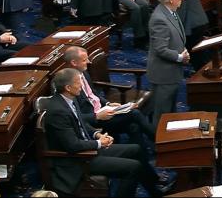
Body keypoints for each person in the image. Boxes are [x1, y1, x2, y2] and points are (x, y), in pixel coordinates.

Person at [44, 68, 170, 197]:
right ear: (68, 87)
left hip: (88, 148)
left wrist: (96, 134)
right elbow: (73, 146)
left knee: (136, 149)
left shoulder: (70, 99)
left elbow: (81, 124)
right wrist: (98, 143)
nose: (81, 85)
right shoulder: (57, 112)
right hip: (79, 159)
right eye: (78, 82)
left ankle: (155, 191)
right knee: (133, 168)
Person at [63, 46, 156, 148]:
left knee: (134, 127)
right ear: (74, 63)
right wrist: (97, 116)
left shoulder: (83, 72)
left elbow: (93, 94)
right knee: (134, 113)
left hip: (104, 110)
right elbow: (74, 116)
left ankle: (141, 160)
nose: (89, 62)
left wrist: (108, 103)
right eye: (84, 60)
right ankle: (158, 140)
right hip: (94, 120)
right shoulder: (68, 85)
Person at [147, 0, 189, 127]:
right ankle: (156, 144)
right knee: (162, 115)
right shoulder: (159, 18)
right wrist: (180, 57)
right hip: (163, 75)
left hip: (172, 73)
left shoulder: (171, 12)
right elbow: (160, 49)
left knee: (170, 112)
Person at [164, 0, 210, 71]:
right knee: (199, 56)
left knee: (197, 59)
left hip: (190, 25)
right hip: (200, 21)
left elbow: (179, 9)